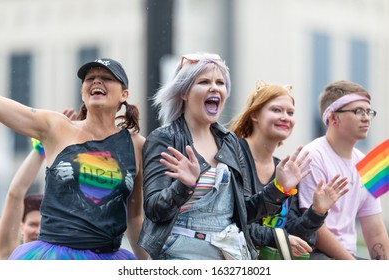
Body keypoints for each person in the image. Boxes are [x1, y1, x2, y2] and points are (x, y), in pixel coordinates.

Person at [137, 53, 312, 260]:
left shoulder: (229, 141)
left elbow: (243, 214)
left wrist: (279, 188)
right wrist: (183, 187)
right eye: (204, 82)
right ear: (184, 92)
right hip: (179, 251)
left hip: (230, 252)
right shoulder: (164, 138)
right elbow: (154, 210)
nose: (214, 87)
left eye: (220, 82)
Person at [0, 58, 147, 260]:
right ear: (83, 92)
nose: (96, 82)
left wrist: (147, 265)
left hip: (109, 258)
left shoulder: (138, 145)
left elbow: (135, 216)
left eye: (106, 78)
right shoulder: (58, 127)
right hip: (54, 257)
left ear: (124, 94)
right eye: (90, 78)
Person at [229, 80, 349, 259]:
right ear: (254, 115)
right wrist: (279, 239)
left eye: (290, 112)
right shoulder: (233, 153)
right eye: (276, 110)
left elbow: (294, 236)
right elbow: (230, 220)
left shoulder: (286, 169)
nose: (285, 117)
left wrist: (316, 212)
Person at [298, 80, 389, 260]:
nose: (366, 117)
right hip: (316, 255)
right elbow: (314, 228)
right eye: (358, 111)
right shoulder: (312, 156)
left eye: (368, 111)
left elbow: (375, 229)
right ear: (333, 118)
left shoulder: (368, 163)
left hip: (349, 257)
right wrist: (352, 266)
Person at [0, 108, 77, 260]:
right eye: (33, 224)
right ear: (21, 228)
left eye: (45, 224)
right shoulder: (10, 253)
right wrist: (44, 145)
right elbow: (16, 193)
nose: (39, 230)